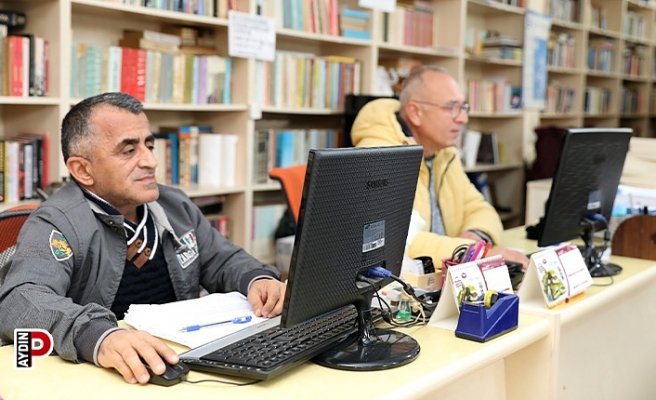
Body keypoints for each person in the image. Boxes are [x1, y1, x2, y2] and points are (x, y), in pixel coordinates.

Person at [0, 92, 286, 384]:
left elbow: (222, 259)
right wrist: (101, 337)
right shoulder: (55, 222)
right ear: (83, 170)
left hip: (179, 361)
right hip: (104, 375)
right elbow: (20, 301)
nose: (151, 161)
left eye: (149, 145)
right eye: (129, 150)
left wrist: (258, 280)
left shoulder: (175, 205)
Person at [351, 65, 528, 271]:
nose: (463, 118)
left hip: (446, 275)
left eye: (463, 107)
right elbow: (397, 240)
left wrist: (474, 237)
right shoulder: (377, 155)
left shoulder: (445, 153)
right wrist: (472, 253)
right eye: (451, 107)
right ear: (415, 113)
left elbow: (479, 208)